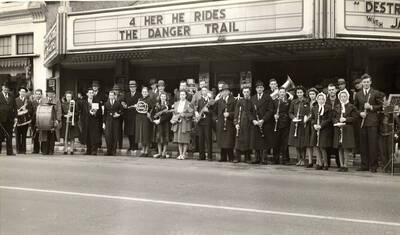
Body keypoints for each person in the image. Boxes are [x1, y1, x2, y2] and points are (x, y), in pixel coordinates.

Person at [354, 74, 383, 173]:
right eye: (364, 82)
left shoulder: (375, 93)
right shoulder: (358, 94)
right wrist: (360, 113)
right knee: (363, 145)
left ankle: (373, 166)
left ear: (370, 82)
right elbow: (355, 108)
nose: (366, 84)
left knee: (372, 145)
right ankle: (364, 165)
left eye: (367, 82)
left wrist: (371, 107)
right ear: (362, 83)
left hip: (372, 122)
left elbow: (381, 106)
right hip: (362, 122)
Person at [333, 90, 358, 172]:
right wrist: (337, 121)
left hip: (347, 129)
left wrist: (346, 119)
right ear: (339, 97)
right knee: (340, 148)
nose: (343, 98)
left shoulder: (351, 107)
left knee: (345, 147)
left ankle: (345, 165)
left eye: (344, 96)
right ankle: (341, 165)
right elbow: (333, 118)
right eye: (341, 97)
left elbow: (355, 118)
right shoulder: (337, 107)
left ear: (347, 97)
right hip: (338, 129)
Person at [251, 80, 274, 164]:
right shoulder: (252, 98)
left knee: (265, 141)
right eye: (258, 88)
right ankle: (257, 158)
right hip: (256, 122)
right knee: (256, 141)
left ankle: (264, 158)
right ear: (256, 89)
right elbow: (249, 111)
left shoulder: (268, 97)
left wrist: (263, 120)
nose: (259, 89)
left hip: (265, 122)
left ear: (263, 88)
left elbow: (270, 110)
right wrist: (253, 120)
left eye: (261, 87)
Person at [310, 93, 332, 170]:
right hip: (316, 129)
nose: (321, 100)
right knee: (317, 147)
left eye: (322, 99)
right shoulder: (314, 108)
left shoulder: (328, 108)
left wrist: (321, 125)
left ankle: (325, 164)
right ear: (317, 99)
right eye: (319, 99)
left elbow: (329, 119)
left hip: (324, 130)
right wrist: (314, 125)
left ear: (325, 100)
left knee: (322, 147)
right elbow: (312, 118)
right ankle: (319, 163)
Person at [214, 84, 236, 162]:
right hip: (221, 123)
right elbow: (214, 111)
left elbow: (236, 112)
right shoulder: (219, 101)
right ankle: (223, 157)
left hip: (229, 123)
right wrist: (216, 119)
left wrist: (229, 114)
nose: (224, 92)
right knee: (222, 140)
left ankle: (231, 157)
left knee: (229, 140)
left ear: (228, 92)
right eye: (222, 91)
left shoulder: (233, 100)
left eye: (226, 91)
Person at [171, 90, 194, 160]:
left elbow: (191, 114)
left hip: (185, 122)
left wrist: (185, 115)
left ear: (186, 95)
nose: (182, 96)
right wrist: (175, 117)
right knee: (179, 139)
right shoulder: (176, 103)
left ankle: (184, 154)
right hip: (178, 122)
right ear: (179, 95)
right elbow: (174, 113)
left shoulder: (188, 104)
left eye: (183, 95)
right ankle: (180, 154)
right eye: (181, 95)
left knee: (185, 139)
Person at [288, 86, 308, 166]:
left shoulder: (307, 101)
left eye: (301, 92)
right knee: (296, 143)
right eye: (298, 93)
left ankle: (303, 159)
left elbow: (309, 112)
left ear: (303, 93)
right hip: (295, 124)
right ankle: (298, 159)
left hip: (303, 123)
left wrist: (306, 118)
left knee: (302, 143)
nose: (299, 94)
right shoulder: (293, 102)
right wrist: (293, 118)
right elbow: (290, 112)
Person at [234, 86, 253, 163]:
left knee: (248, 141)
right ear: (242, 93)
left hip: (249, 124)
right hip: (240, 123)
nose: (246, 93)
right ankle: (237, 158)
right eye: (244, 92)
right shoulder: (239, 101)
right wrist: (236, 123)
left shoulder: (252, 101)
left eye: (247, 92)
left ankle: (247, 158)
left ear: (250, 92)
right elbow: (236, 113)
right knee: (238, 140)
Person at [272, 87, 291, 164]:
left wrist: (283, 116)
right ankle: (275, 159)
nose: (282, 93)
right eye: (280, 92)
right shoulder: (275, 101)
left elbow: (290, 111)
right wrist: (274, 115)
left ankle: (285, 159)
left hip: (285, 123)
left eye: (283, 92)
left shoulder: (288, 101)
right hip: (277, 123)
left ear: (285, 93)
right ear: (278, 93)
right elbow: (272, 110)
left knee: (284, 142)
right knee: (276, 142)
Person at [39, 89, 62, 155]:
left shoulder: (57, 100)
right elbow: (40, 109)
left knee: (52, 136)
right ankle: (44, 150)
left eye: (51, 93)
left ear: (54, 94)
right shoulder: (43, 100)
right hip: (44, 120)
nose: (50, 94)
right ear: (47, 93)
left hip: (53, 119)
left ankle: (51, 150)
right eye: (49, 93)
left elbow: (59, 110)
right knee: (44, 135)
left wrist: (58, 120)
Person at [81, 88, 102, 155]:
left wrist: (95, 113)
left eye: (92, 93)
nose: (91, 94)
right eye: (89, 93)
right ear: (87, 94)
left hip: (94, 121)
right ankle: (88, 150)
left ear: (93, 94)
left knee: (94, 136)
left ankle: (94, 150)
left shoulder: (97, 101)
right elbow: (82, 112)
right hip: (86, 121)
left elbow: (100, 112)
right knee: (87, 136)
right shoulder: (84, 102)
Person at [195, 87, 214, 161]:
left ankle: (209, 156)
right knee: (201, 140)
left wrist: (208, 111)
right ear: (201, 92)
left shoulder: (211, 101)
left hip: (208, 122)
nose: (204, 91)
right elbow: (196, 109)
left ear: (207, 91)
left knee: (208, 139)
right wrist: (196, 113)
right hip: (200, 122)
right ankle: (201, 156)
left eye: (205, 90)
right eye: (202, 90)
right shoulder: (199, 100)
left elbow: (214, 112)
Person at [152, 92, 172, 158]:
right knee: (158, 138)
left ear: (166, 97)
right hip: (158, 124)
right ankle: (159, 153)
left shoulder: (168, 105)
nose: (163, 97)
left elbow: (168, 115)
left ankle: (164, 153)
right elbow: (154, 113)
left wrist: (160, 120)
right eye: (162, 96)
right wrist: (154, 119)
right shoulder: (157, 104)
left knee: (165, 139)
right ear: (160, 97)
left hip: (165, 123)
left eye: (164, 96)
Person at [122, 80, 140, 152]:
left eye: (134, 87)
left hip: (136, 115)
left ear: (136, 87)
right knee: (129, 132)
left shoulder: (139, 95)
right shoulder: (126, 95)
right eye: (131, 87)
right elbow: (123, 102)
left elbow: (141, 103)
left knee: (135, 131)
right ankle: (130, 145)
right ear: (129, 88)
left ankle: (135, 146)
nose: (132, 88)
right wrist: (124, 104)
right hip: (128, 115)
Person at [135, 86, 154, 157]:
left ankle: (146, 150)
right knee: (142, 134)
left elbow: (153, 108)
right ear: (142, 93)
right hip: (140, 118)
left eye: (145, 92)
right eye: (143, 92)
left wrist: (150, 114)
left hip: (147, 118)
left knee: (146, 134)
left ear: (148, 92)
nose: (144, 93)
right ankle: (143, 149)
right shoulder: (139, 99)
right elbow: (138, 108)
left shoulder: (150, 99)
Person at [103, 90, 123, 156]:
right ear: (109, 96)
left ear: (114, 96)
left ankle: (113, 151)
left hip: (115, 122)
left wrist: (119, 114)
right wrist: (104, 123)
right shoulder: (106, 104)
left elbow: (122, 111)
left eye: (112, 95)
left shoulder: (118, 103)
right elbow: (104, 114)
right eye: (110, 95)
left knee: (115, 136)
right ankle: (109, 150)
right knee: (108, 136)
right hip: (108, 121)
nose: (111, 96)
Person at [60, 91, 80, 155]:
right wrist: (64, 115)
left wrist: (72, 114)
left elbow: (78, 113)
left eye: (70, 96)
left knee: (72, 136)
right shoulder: (62, 104)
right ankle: (65, 149)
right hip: (65, 121)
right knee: (65, 136)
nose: (68, 98)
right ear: (65, 97)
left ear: (71, 97)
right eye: (67, 96)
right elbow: (61, 113)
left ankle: (71, 149)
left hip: (72, 121)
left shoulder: (74, 104)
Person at [326, 83, 341, 168]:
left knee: (337, 144)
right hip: (327, 125)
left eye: (332, 89)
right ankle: (327, 163)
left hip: (336, 125)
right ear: (328, 91)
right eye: (330, 90)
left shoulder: (340, 99)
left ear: (336, 90)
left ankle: (339, 163)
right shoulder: (325, 100)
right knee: (327, 143)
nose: (331, 91)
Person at [15, 87, 33, 154]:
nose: (22, 93)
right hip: (17, 120)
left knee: (24, 135)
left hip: (25, 121)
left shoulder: (28, 101)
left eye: (24, 92)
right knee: (17, 135)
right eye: (21, 91)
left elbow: (31, 110)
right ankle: (18, 150)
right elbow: (12, 110)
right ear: (19, 92)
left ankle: (23, 150)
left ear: (25, 93)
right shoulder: (15, 100)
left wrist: (26, 109)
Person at [0, 83, 16, 155]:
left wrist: (16, 117)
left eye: (7, 88)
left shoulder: (11, 96)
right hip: (1, 119)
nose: (6, 89)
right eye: (5, 87)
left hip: (10, 119)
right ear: (2, 87)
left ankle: (9, 152)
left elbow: (15, 108)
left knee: (9, 135)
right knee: (0, 136)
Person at [304, 88, 318, 167]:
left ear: (316, 94)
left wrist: (309, 117)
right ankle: (310, 161)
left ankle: (318, 160)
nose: (312, 96)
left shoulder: (318, 102)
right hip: (307, 124)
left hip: (314, 124)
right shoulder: (307, 102)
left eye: (313, 94)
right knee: (308, 143)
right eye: (310, 94)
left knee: (314, 142)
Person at [30, 89, 42, 154]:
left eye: (39, 94)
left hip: (43, 120)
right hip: (34, 121)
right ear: (35, 95)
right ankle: (36, 150)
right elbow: (31, 112)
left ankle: (43, 149)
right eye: (37, 94)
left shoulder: (43, 102)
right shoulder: (32, 102)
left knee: (43, 135)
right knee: (35, 135)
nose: (38, 95)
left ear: (41, 95)